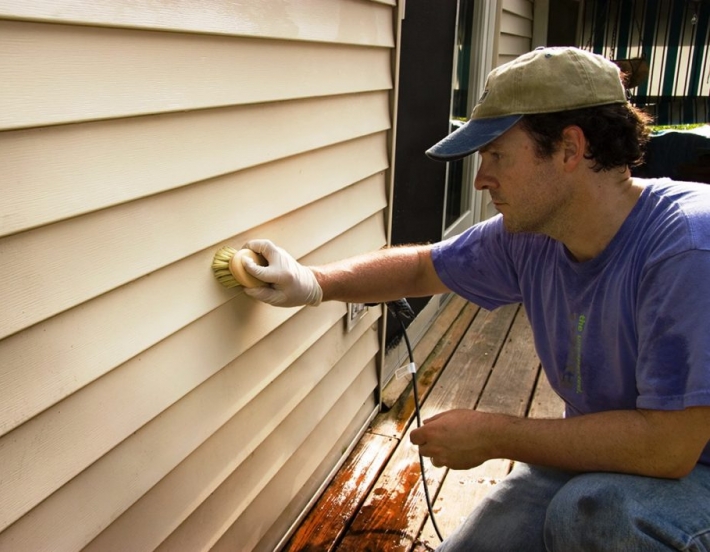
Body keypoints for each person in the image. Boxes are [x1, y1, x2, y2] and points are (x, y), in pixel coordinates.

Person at [240, 47, 710, 551]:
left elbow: (668, 447)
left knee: (596, 514)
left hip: (685, 466)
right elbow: (423, 266)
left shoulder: (687, 246)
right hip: (617, 457)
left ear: (570, 150)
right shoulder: (533, 234)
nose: (482, 177)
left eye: (497, 155)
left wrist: (494, 435)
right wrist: (312, 283)